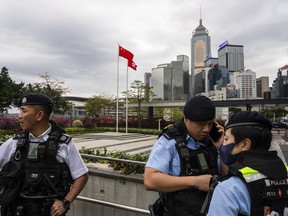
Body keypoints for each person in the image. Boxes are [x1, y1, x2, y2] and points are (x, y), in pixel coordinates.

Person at [0, 93, 89, 216]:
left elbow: (81, 175)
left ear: (39, 115)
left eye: (23, 111)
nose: (19, 116)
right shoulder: (15, 142)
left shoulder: (63, 143)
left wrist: (65, 203)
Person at [144, 95, 223, 216]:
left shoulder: (211, 141)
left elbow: (227, 175)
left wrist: (222, 148)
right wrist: (196, 181)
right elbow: (150, 180)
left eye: (210, 124)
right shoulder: (169, 142)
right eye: (201, 124)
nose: (206, 129)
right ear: (186, 119)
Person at [207, 111, 288, 216]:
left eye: (226, 139)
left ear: (245, 144)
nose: (223, 144)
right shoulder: (285, 173)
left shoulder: (228, 189)